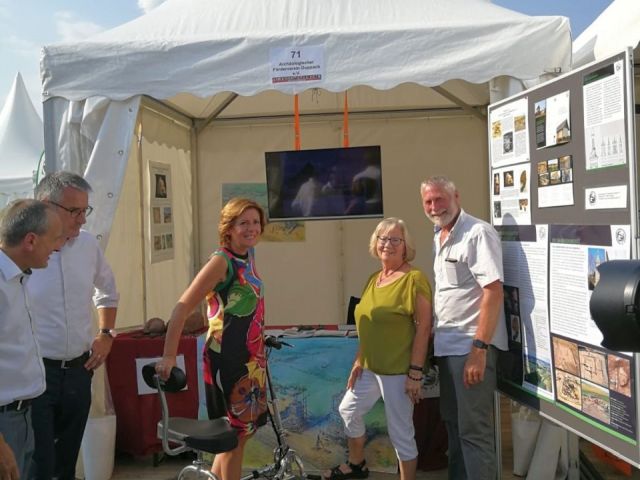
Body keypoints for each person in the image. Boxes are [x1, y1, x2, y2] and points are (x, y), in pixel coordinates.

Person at [156, 197, 268, 480]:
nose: (251, 228)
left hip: (249, 359)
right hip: (228, 358)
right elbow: (181, 308)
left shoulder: (248, 255)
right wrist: (169, 355)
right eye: (243, 223)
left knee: (239, 435)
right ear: (228, 228)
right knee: (233, 437)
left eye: (256, 222)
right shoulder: (221, 261)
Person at [324, 218, 432, 480]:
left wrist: (415, 372)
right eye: (383, 238)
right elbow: (368, 326)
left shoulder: (414, 279)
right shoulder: (374, 279)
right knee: (348, 410)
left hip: (398, 371)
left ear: (406, 246)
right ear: (375, 243)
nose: (388, 244)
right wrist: (358, 360)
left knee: (401, 434)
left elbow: (424, 328)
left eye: (395, 239)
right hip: (370, 368)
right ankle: (357, 464)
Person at [28, 172, 119, 480]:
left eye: (85, 210)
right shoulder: (25, 249)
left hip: (79, 370)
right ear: (46, 205)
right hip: (37, 374)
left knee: (66, 462)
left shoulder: (88, 245)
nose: (82, 219)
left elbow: (107, 290)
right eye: (74, 211)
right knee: (40, 464)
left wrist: (106, 334)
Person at [420, 176, 507, 480]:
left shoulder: (477, 233)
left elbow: (493, 291)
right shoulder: (439, 235)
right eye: (428, 201)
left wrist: (479, 350)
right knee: (454, 427)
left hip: (470, 348)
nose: (434, 206)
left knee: (473, 432)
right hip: (448, 348)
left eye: (440, 199)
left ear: (456, 196)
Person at [0, 200, 64, 479]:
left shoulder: (18, 278)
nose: (58, 247)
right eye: (55, 239)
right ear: (30, 240)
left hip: (22, 416)